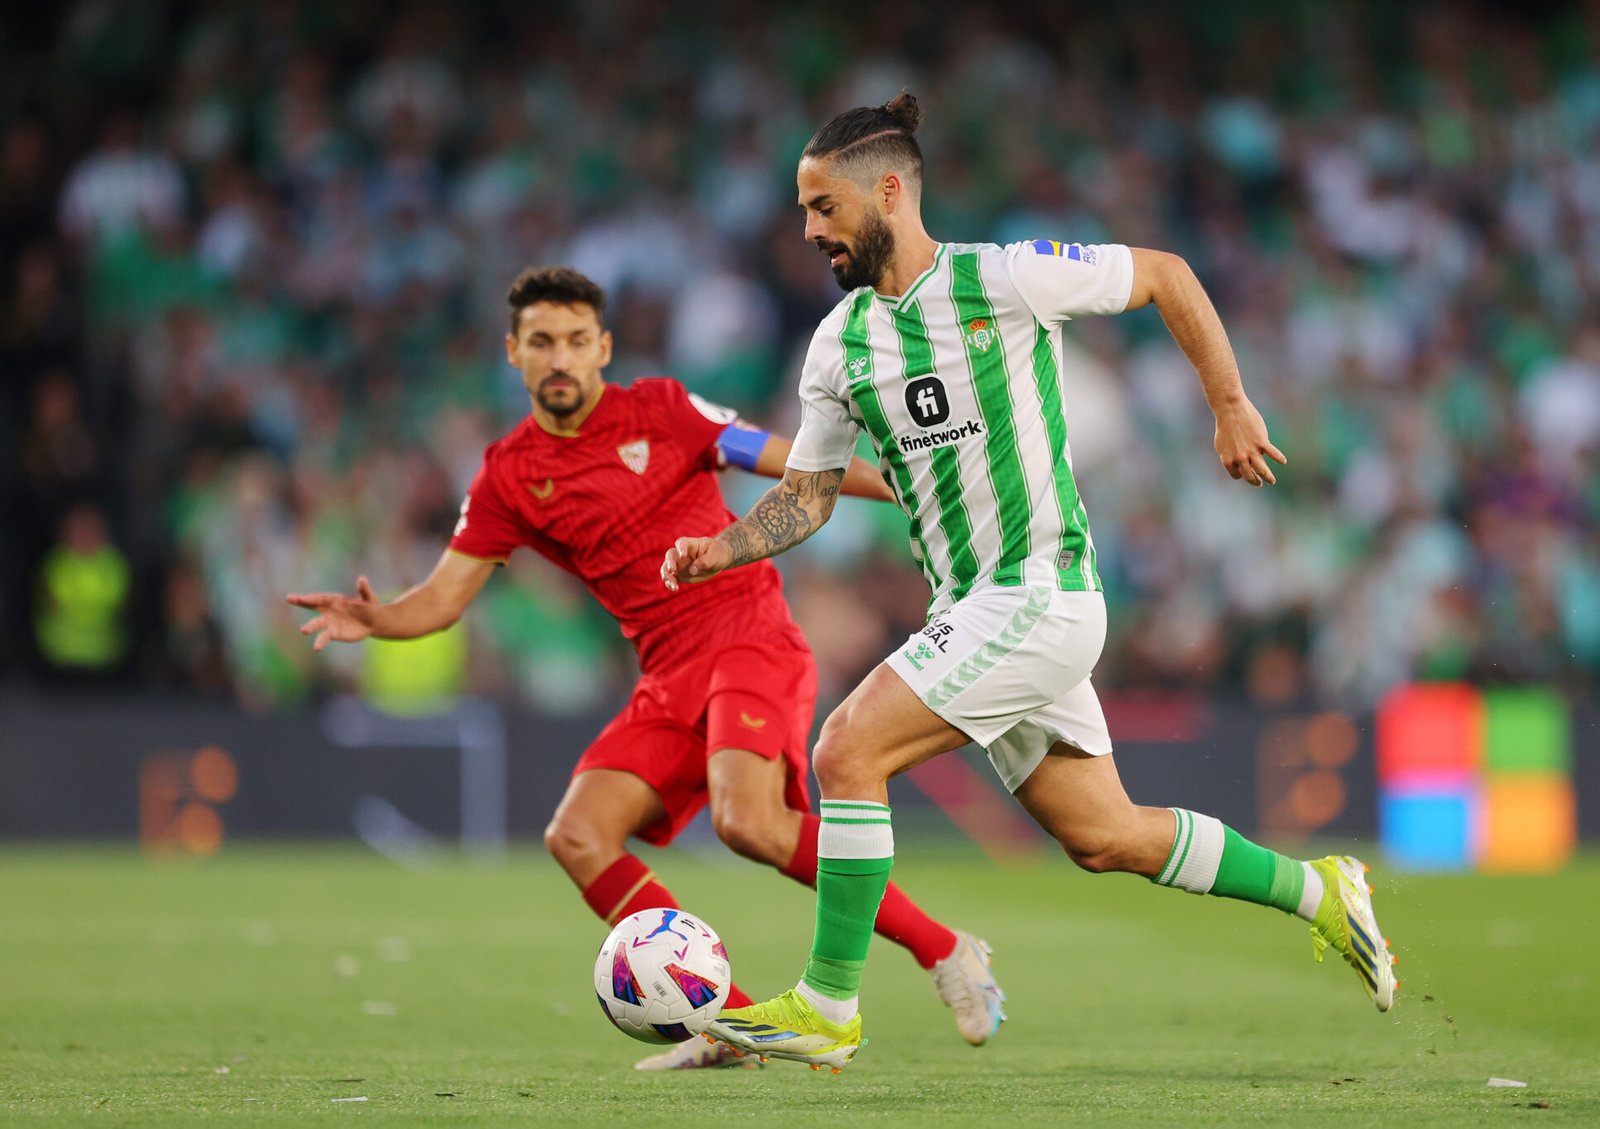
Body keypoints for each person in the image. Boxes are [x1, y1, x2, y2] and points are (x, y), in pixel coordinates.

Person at [661, 94, 1397, 1073]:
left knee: (844, 749)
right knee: (1104, 835)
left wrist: (1227, 405)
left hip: (1038, 593)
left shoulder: (1001, 279)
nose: (809, 230)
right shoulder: (839, 344)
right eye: (804, 211)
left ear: (888, 191)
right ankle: (1322, 891)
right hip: (974, 612)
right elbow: (810, 497)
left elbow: (1166, 275)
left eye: (823, 206)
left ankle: (829, 1003)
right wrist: (724, 547)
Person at [287, 265, 1006, 1071]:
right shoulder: (507, 475)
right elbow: (445, 598)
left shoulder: (661, 409)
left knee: (747, 822)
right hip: (666, 671)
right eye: (540, 343)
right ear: (513, 353)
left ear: (603, 348)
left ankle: (947, 950)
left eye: (573, 341)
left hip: (746, 633)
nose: (558, 358)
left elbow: (789, 464)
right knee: (578, 835)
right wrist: (377, 617)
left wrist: (914, 488)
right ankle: (725, 1024)